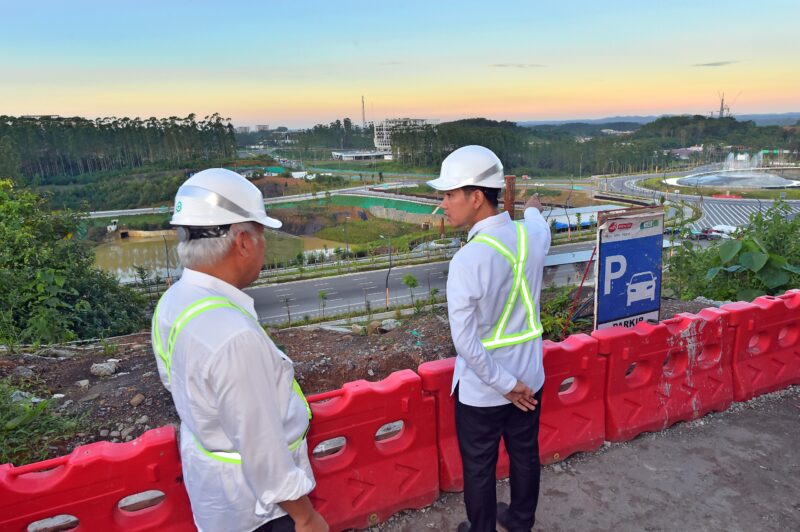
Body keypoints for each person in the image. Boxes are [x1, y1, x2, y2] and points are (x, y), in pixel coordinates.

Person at [151, 168, 329, 532]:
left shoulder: (174, 301)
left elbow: (174, 382)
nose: (262, 245)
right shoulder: (233, 337)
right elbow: (264, 451)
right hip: (261, 511)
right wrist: (306, 517)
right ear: (244, 241)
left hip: (216, 496)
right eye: (261, 234)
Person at [427, 146, 550, 532]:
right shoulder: (533, 236)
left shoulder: (467, 260)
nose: (443, 203)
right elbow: (536, 219)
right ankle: (520, 521)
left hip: (484, 390)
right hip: (530, 377)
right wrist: (532, 206)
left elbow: (465, 343)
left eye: (449, 195)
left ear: (476, 197)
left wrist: (504, 386)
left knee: (479, 468)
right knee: (525, 454)